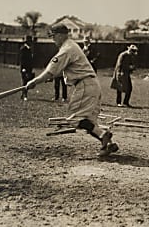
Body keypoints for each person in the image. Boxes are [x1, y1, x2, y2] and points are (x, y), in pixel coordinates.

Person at [25, 23, 118, 154]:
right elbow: (61, 70)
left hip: (84, 85)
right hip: (92, 84)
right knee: (90, 121)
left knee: (74, 118)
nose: (53, 40)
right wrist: (49, 77)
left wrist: (34, 81)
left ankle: (103, 135)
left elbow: (50, 71)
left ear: (60, 35)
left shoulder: (67, 49)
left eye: (53, 36)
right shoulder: (72, 46)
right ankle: (108, 145)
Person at [18, 36, 33, 101]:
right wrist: (23, 68)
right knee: (25, 82)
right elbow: (22, 60)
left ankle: (23, 94)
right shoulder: (23, 49)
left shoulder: (29, 49)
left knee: (27, 82)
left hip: (29, 68)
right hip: (24, 68)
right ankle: (24, 95)